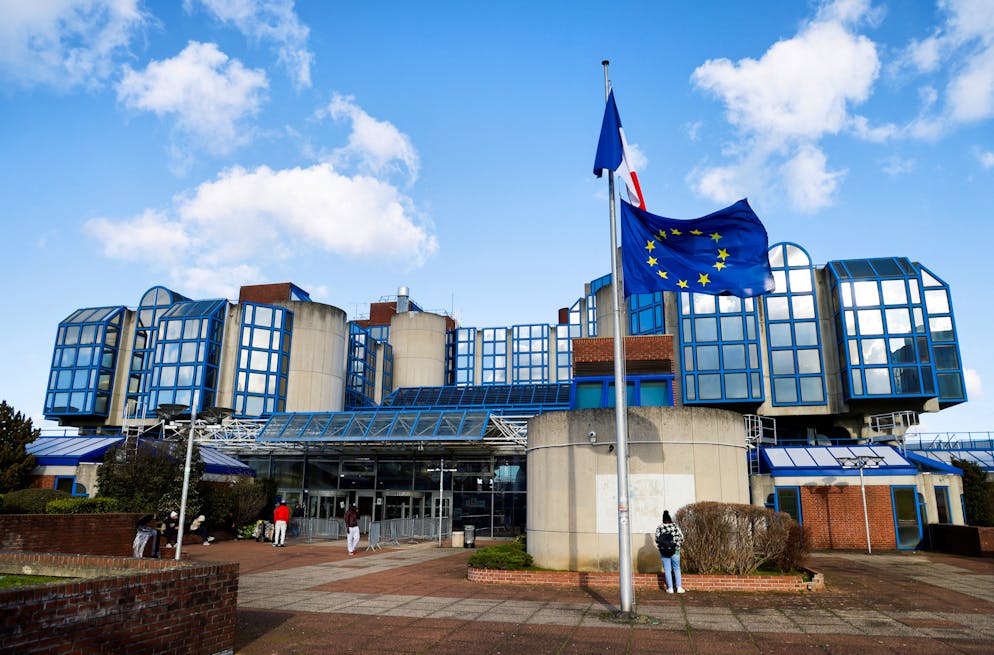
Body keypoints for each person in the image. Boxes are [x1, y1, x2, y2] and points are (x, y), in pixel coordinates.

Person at [655, 510, 685, 594]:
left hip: (664, 551)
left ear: (663, 519)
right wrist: (676, 544)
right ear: (670, 518)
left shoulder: (660, 527)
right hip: (675, 551)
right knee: (677, 568)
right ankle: (679, 588)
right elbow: (682, 538)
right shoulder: (675, 527)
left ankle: (670, 588)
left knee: (667, 569)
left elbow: (657, 540)